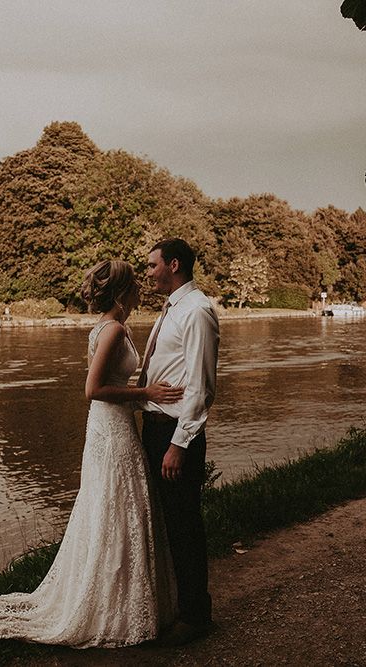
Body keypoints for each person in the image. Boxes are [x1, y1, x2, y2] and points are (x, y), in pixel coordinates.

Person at [0, 259, 183, 648]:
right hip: (110, 429)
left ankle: (126, 601)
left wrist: (145, 395)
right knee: (114, 505)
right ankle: (107, 605)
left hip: (114, 425)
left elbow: (109, 382)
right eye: (136, 284)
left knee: (115, 505)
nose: (142, 289)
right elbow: (92, 389)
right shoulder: (113, 330)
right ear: (124, 291)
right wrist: (146, 393)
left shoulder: (109, 327)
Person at [138, 238, 219, 646]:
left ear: (174, 265)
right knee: (168, 523)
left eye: (152, 266)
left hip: (175, 434)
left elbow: (201, 387)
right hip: (154, 428)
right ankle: (176, 605)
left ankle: (196, 616)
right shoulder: (172, 308)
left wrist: (179, 444)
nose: (148, 272)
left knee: (184, 524)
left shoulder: (198, 310)